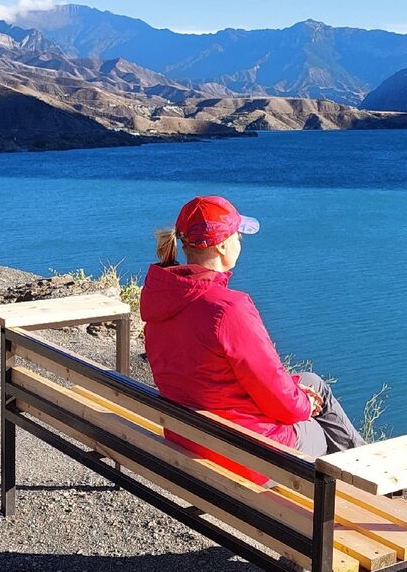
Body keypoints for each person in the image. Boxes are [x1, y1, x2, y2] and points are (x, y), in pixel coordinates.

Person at [139, 195, 363, 471]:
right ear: (221, 245)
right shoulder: (228, 309)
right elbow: (286, 405)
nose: (239, 242)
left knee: (312, 382)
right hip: (244, 452)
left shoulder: (162, 297)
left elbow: (226, 381)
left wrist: (298, 390)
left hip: (189, 435)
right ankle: (369, 482)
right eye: (236, 236)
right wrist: (304, 403)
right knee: (319, 426)